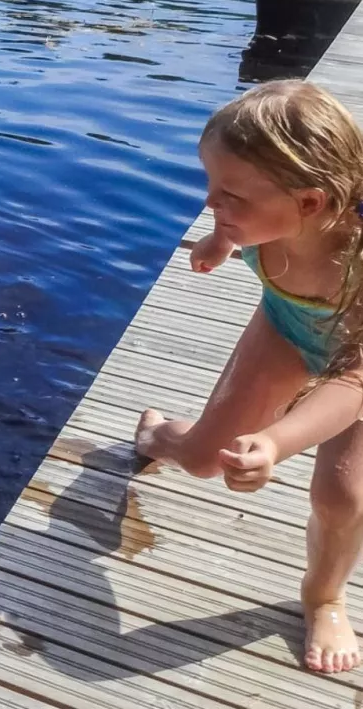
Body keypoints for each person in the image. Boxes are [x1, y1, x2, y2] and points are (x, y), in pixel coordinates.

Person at [135, 80, 363, 674]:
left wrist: (278, 441)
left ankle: (325, 597)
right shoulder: (258, 215)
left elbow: (356, 383)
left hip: (356, 368)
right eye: (212, 187)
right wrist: (220, 239)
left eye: (229, 195)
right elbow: (231, 217)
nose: (212, 204)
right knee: (206, 459)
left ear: (310, 204)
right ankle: (163, 437)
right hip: (286, 330)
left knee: (342, 496)